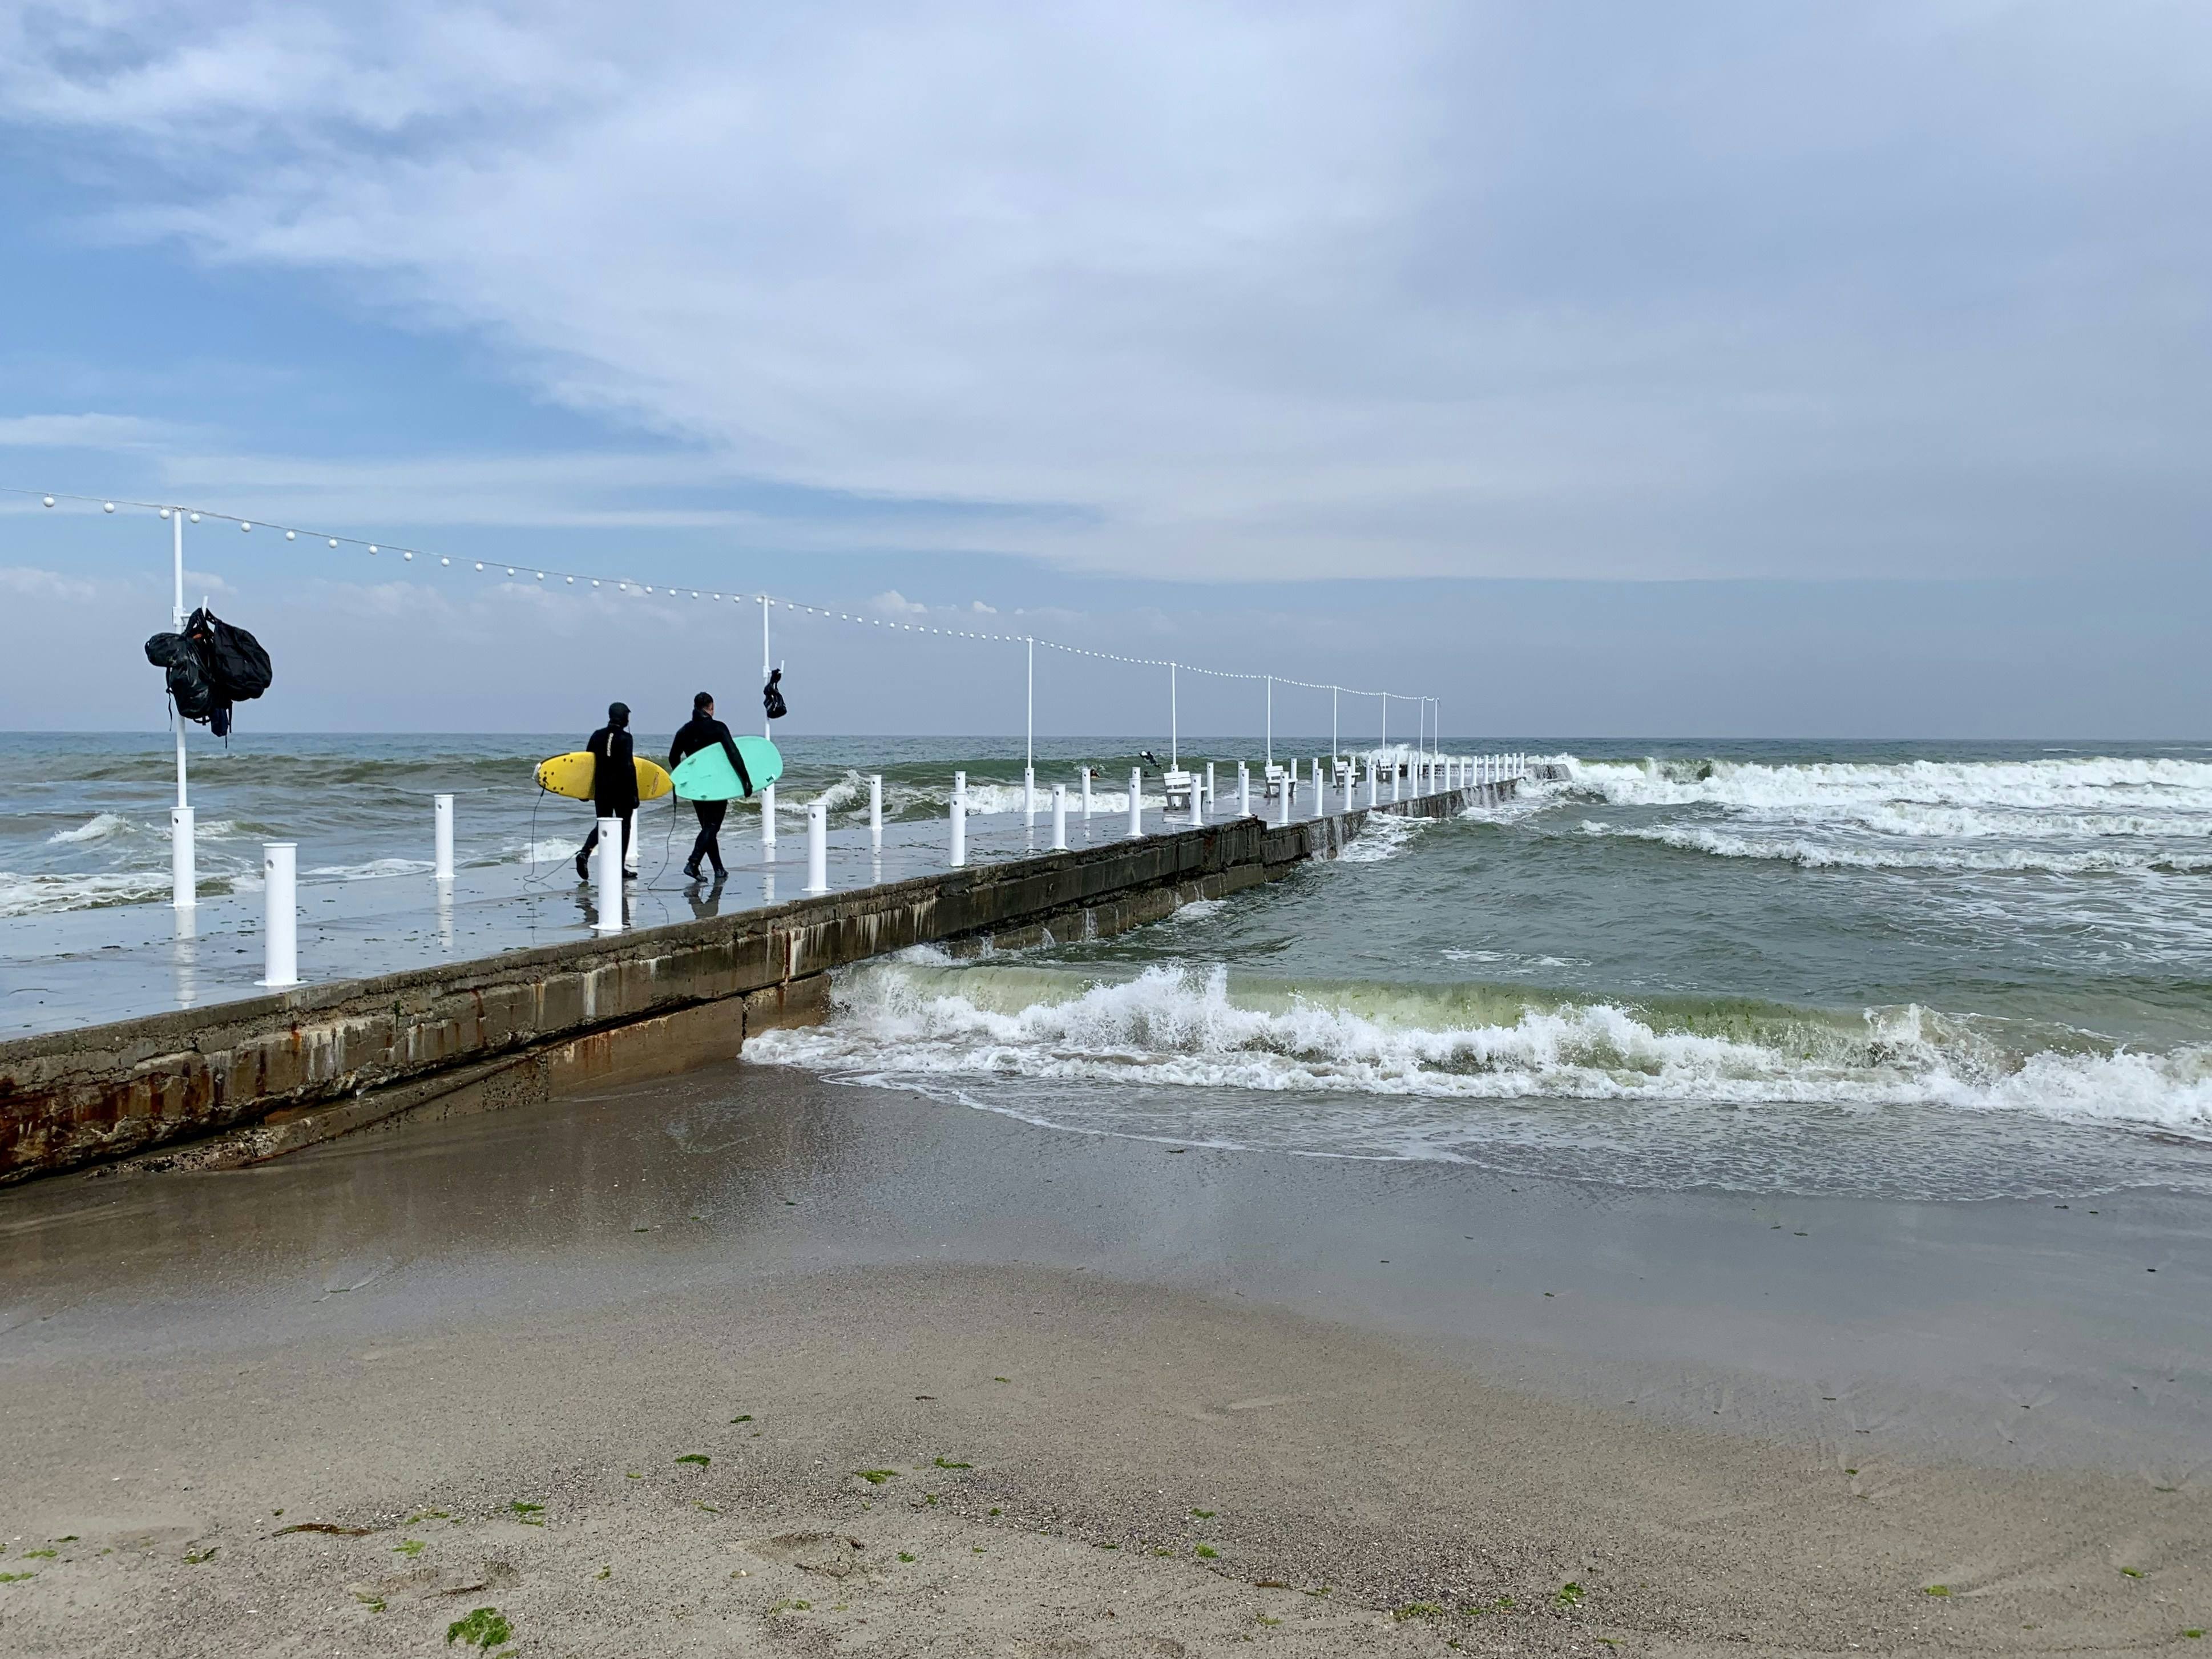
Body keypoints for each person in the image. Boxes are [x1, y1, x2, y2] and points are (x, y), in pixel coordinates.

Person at [667, 691, 750, 881]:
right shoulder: (718, 728)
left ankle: (719, 869)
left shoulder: (684, 730)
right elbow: (733, 754)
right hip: (717, 784)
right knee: (712, 826)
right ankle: (693, 863)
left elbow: (673, 757)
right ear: (711, 707)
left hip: (697, 786)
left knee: (707, 827)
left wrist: (685, 777)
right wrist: (745, 780)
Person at [575, 701, 640, 881]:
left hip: (602, 790)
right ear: (623, 717)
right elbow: (629, 766)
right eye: (627, 715)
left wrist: (584, 791)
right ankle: (619, 868)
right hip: (622, 791)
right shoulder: (626, 738)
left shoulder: (597, 735)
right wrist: (635, 794)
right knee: (625, 826)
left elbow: (587, 764)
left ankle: (585, 853)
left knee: (602, 825)